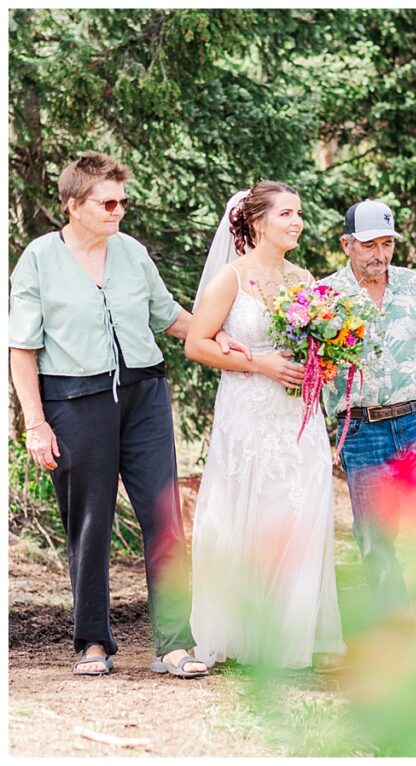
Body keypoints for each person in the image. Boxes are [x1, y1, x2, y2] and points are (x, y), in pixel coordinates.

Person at [8, 152, 245, 678]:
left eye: (123, 200)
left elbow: (168, 315)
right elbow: (21, 348)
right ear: (73, 205)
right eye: (108, 202)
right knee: (88, 525)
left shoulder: (132, 252)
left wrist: (214, 335)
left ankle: (175, 645)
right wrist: (35, 423)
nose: (119, 210)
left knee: (164, 518)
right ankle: (92, 642)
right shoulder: (40, 259)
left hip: (144, 395)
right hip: (74, 402)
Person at [185, 181, 346, 670]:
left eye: (299, 214)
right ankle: (245, 633)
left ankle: (291, 636)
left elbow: (315, 344)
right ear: (258, 223)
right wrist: (259, 362)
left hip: (298, 416)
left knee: (301, 515)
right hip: (250, 415)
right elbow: (196, 344)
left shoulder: (303, 277)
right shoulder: (230, 280)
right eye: (286, 214)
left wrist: (328, 361)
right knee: (250, 519)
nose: (297, 222)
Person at [319, 199, 416, 614]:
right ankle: (395, 629)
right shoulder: (326, 295)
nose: (380, 254)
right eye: (369, 245)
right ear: (347, 244)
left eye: (387, 244)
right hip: (363, 431)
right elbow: (316, 368)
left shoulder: (411, 284)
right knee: (376, 538)